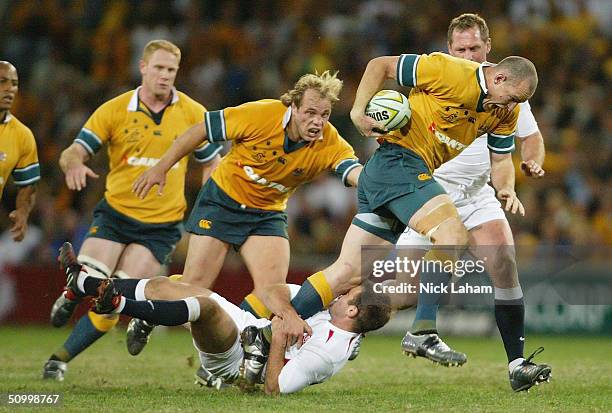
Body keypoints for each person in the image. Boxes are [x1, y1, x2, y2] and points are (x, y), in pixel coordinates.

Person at [262, 49, 550, 391]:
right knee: (453, 234)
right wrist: (358, 111)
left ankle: (262, 336)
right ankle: (424, 331)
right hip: (400, 163)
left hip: (394, 175)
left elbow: (501, 157)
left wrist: (505, 188)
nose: (509, 106)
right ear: (498, 78)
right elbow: (380, 65)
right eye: (510, 98)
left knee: (347, 273)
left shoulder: (505, 112)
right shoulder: (448, 71)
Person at [130, 71, 362, 353]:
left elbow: (352, 171)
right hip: (222, 202)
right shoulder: (260, 115)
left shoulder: (330, 142)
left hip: (267, 213)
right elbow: (201, 129)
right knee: (193, 288)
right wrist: (161, 167)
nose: (317, 121)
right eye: (310, 112)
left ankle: (242, 350)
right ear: (293, 106)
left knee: (272, 292)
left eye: (324, 114)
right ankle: (149, 312)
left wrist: (377, 183)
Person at [42, 40, 221, 381]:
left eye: (171, 70)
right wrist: (73, 165)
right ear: (142, 67)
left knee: (111, 296)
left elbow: (212, 163)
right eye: (158, 68)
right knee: (92, 274)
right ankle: (77, 290)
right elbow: (73, 151)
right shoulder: (115, 109)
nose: (164, 76)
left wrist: (209, 202)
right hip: (115, 216)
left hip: (161, 225)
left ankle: (58, 359)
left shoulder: (194, 113)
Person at [395, 13, 550, 392]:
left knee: (504, 261)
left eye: (474, 48)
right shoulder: (441, 77)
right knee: (392, 293)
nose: (467, 54)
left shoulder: (507, 90)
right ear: (450, 49)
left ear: (489, 48)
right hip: (428, 191)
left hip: (478, 195)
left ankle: (517, 364)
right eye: (460, 49)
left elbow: (528, 138)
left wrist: (530, 163)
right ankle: (318, 324)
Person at [56, 242, 391, 394]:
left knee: (206, 309)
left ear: (352, 312)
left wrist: (276, 337)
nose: (342, 293)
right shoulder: (325, 310)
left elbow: (276, 388)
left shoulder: (328, 351)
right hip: (247, 327)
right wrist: (288, 314)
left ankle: (117, 305)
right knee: (167, 285)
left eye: (349, 297)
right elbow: (272, 292)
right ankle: (84, 282)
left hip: (239, 360)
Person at [0, 61, 40, 242]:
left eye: (14, 84)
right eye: (2, 82)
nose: (9, 89)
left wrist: (23, 211)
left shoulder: (22, 136)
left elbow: (28, 185)